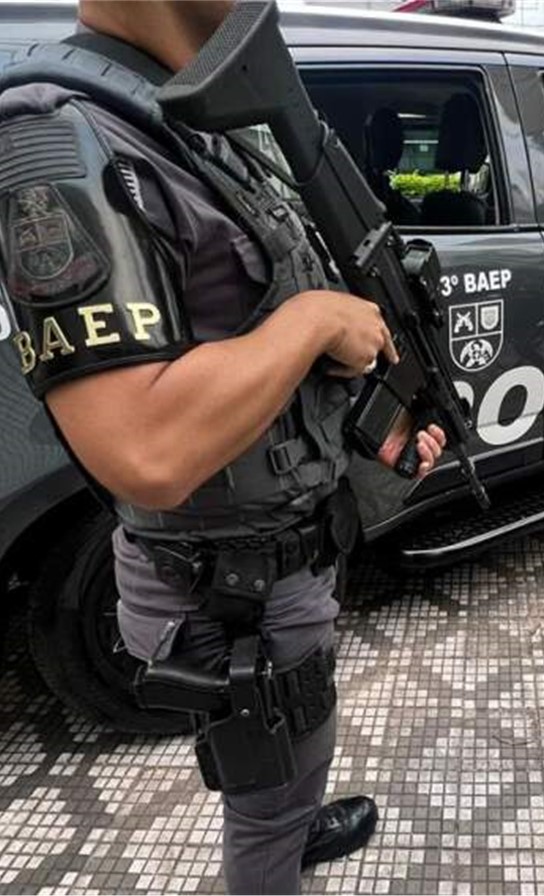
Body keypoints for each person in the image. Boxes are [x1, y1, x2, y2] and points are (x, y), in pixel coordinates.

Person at [0, 2, 446, 892]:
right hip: (225, 588)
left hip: (278, 556)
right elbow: (145, 449)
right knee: (268, 798)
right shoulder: (50, 137)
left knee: (282, 764)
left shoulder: (185, 115)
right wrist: (313, 319)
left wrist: (375, 428)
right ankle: (276, 848)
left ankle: (290, 815)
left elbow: (240, 336)